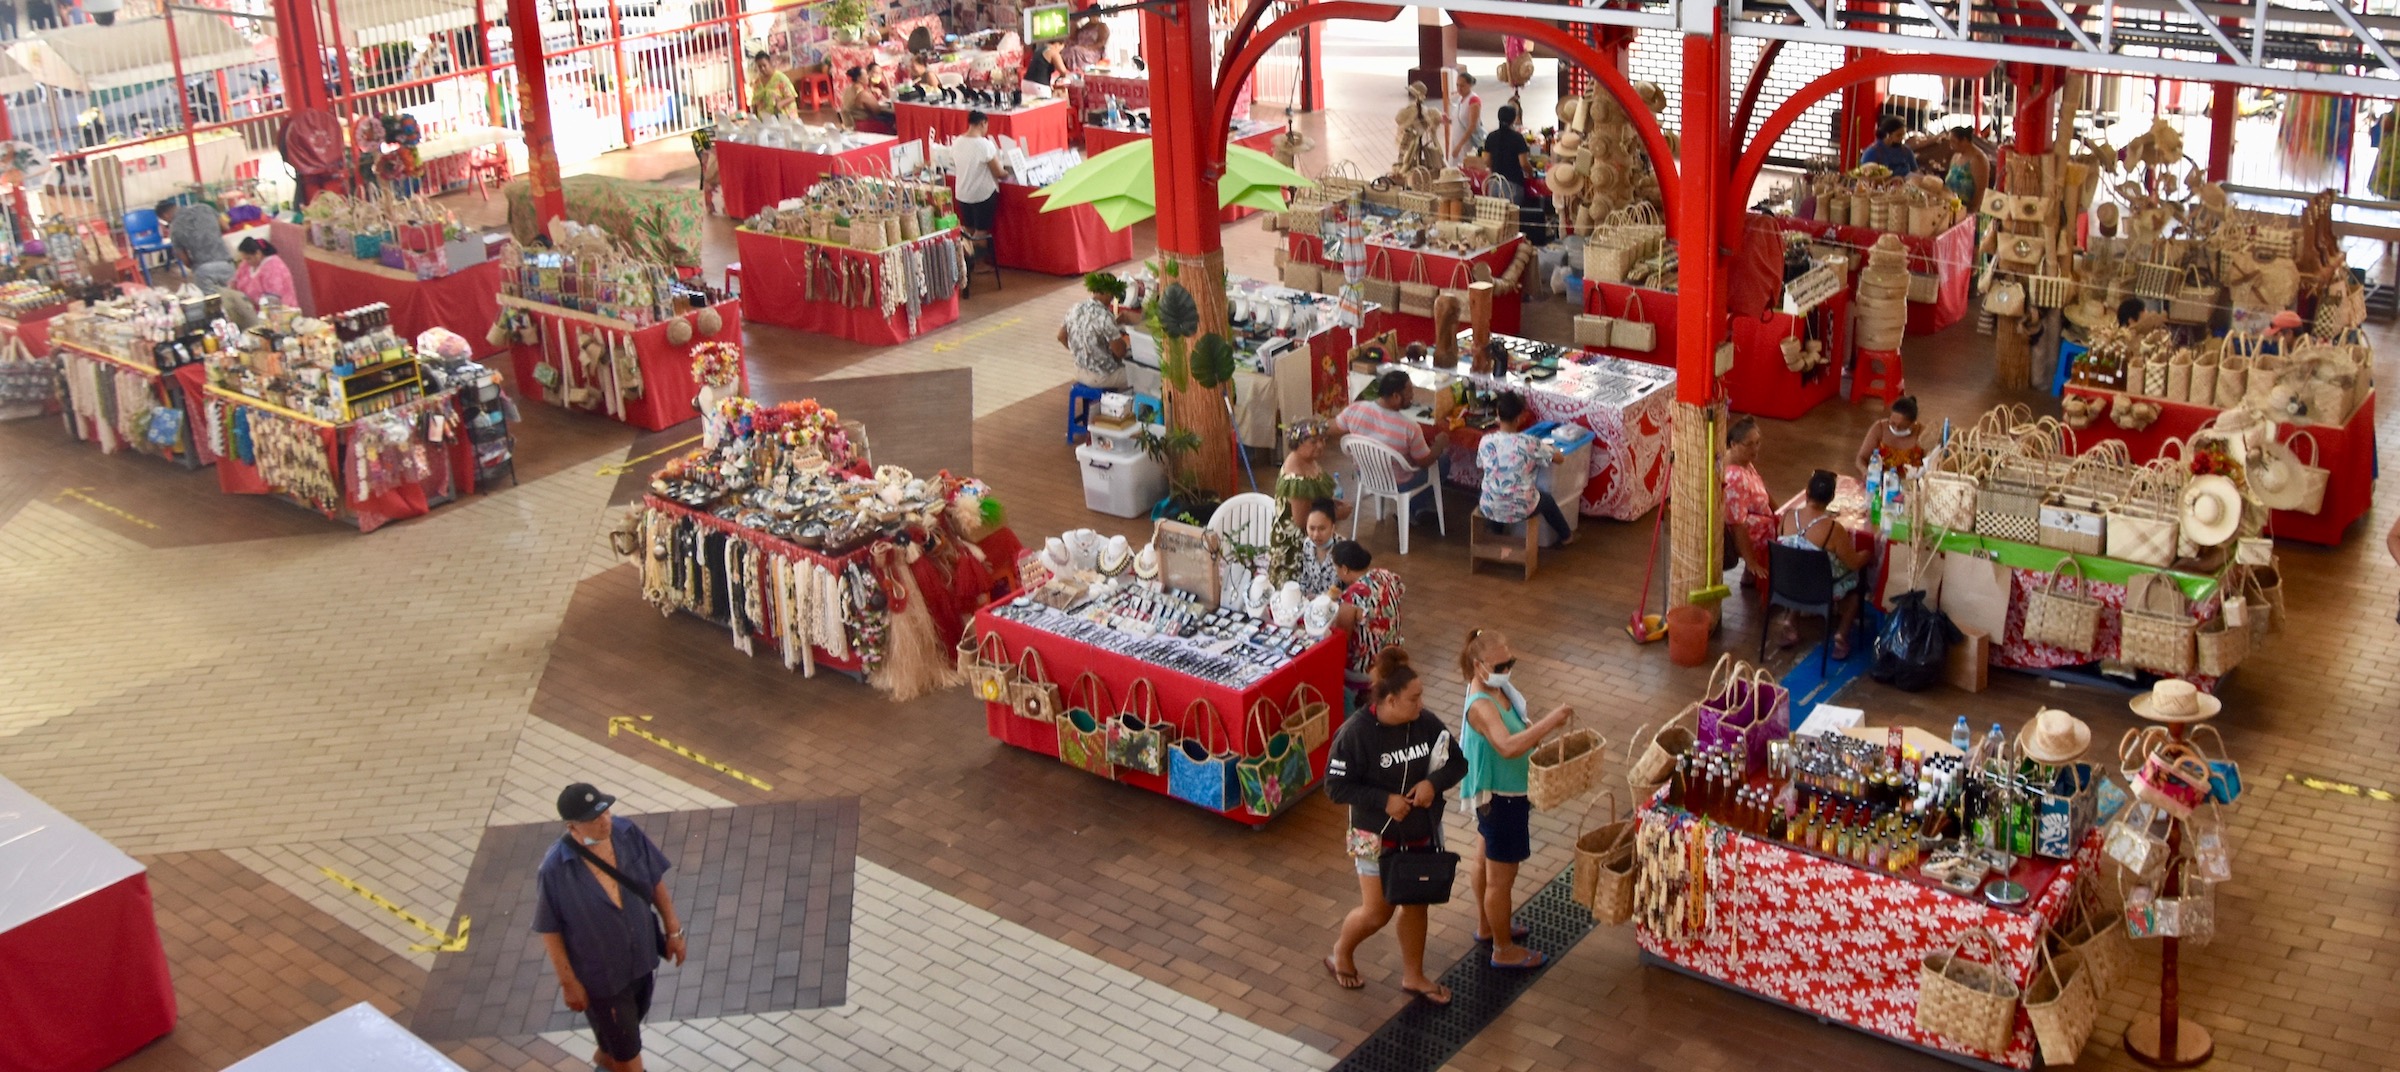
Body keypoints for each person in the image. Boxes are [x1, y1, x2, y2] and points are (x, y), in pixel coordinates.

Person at [1324, 647, 1466, 1004]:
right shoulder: (1355, 734)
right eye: (1413, 698)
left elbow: (1457, 762)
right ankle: (1341, 951)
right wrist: (1384, 800)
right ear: (1388, 700)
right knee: (1377, 912)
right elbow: (1335, 787)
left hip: (1419, 833)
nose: (1421, 704)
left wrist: (1433, 784)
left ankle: (1414, 976)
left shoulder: (1426, 723)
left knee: (1416, 904)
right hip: (1371, 836)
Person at [534, 784, 686, 1072]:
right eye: (593, 819)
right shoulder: (554, 869)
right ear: (572, 826)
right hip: (602, 979)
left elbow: (653, 881)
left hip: (641, 960)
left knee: (622, 1036)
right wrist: (569, 983)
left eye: (605, 812)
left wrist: (674, 930)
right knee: (628, 1049)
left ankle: (606, 1061)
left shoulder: (626, 833)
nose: (605, 821)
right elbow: (549, 929)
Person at [1457, 628, 1573, 970]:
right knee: (1501, 878)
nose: (1507, 668)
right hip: (1502, 799)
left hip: (1497, 796)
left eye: (1511, 661)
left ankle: (1487, 925)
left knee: (1484, 860)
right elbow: (1507, 747)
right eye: (1501, 664)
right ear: (1478, 666)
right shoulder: (1480, 704)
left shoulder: (1497, 687)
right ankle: (1503, 949)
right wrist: (1551, 722)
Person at [1775, 469, 1871, 657]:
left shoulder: (1787, 516)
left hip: (1787, 583)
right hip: (1820, 590)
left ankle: (1791, 620)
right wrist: (1867, 555)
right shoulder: (1833, 529)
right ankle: (1841, 636)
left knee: (1800, 565)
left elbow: (1781, 539)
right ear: (1832, 498)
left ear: (1807, 492)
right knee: (1855, 591)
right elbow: (1853, 563)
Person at [1337, 369, 1440, 527]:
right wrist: (1440, 445)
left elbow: (1331, 427)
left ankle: (1414, 508)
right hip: (1398, 481)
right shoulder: (1410, 427)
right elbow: (1424, 462)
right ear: (1396, 397)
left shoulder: (1355, 410)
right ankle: (1415, 506)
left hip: (1366, 474)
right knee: (1443, 462)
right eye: (1409, 393)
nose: (1413, 396)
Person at [1475, 392, 1573, 546]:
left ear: (1498, 414)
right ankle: (1566, 536)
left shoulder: (1486, 440)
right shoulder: (1529, 443)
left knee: (1491, 492)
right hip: (1522, 507)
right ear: (1519, 418)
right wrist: (1551, 448)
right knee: (1546, 500)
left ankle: (1496, 533)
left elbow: (1481, 465)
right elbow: (1559, 459)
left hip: (1489, 506)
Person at [1331, 539, 1404, 703]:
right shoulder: (1385, 575)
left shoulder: (1352, 596)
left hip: (1369, 667)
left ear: (1344, 568)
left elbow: (1342, 638)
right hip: (1393, 654)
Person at [1058, 271, 1135, 390]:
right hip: (1101, 377)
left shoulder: (1075, 308)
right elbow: (1120, 352)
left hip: (1079, 372)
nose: (1112, 298)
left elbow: (1061, 336)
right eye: (1112, 294)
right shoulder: (1104, 316)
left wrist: (1081, 350)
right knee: (1141, 377)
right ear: (1107, 292)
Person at [1721, 416, 1776, 580]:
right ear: (1733, 444)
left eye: (1757, 442)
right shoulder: (1735, 476)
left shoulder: (1743, 460)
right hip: (1747, 530)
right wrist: (1751, 562)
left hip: (1761, 516)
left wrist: (1779, 513)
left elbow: (1762, 488)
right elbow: (1737, 524)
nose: (1755, 449)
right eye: (1749, 444)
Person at [1275, 417, 1350, 526]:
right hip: (1299, 538)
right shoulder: (1297, 478)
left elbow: (1313, 499)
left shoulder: (1308, 461)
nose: (1320, 445)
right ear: (1298, 443)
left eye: (1322, 439)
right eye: (1313, 442)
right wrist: (1336, 514)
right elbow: (1302, 522)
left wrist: (1332, 503)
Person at [950, 111, 1004, 240]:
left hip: (962, 193)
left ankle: (967, 257)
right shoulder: (984, 145)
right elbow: (998, 172)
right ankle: (978, 259)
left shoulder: (957, 142)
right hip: (981, 195)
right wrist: (1008, 172)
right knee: (981, 232)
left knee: (968, 228)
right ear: (982, 123)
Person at [1854, 394, 1926, 475]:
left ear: (1912, 424)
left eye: (1901, 427)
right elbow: (1861, 458)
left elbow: (1930, 466)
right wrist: (1865, 471)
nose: (1896, 428)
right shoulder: (1879, 428)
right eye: (1892, 423)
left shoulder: (1922, 434)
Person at [158, 199, 231, 277]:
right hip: (225, 261)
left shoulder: (174, 230)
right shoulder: (205, 207)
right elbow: (226, 227)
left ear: (165, 215)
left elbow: (185, 259)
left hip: (203, 269)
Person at [231, 237, 297, 308]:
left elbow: (274, 299)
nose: (246, 261)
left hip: (278, 311)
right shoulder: (246, 264)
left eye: (248, 258)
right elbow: (235, 280)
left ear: (258, 253)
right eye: (244, 258)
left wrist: (250, 300)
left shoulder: (274, 268)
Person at [1944, 126, 1990, 211]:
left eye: (1953, 142)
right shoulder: (1955, 157)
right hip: (1950, 207)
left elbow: (1981, 191)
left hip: (1967, 210)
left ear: (1964, 141)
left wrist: (1971, 212)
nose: (1951, 145)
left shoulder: (1978, 160)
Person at [1444, 71, 1482, 169]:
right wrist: (1448, 120)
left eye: (1462, 86)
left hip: (1466, 145)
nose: (1459, 89)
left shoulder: (1474, 101)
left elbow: (1472, 126)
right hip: (1456, 141)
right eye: (1457, 86)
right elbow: (1459, 120)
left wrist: (1459, 146)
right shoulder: (1460, 99)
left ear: (1469, 85)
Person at [843, 66, 895, 133]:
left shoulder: (847, 90)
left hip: (853, 124)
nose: (868, 76)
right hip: (865, 126)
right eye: (866, 75)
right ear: (859, 79)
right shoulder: (863, 94)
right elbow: (877, 110)